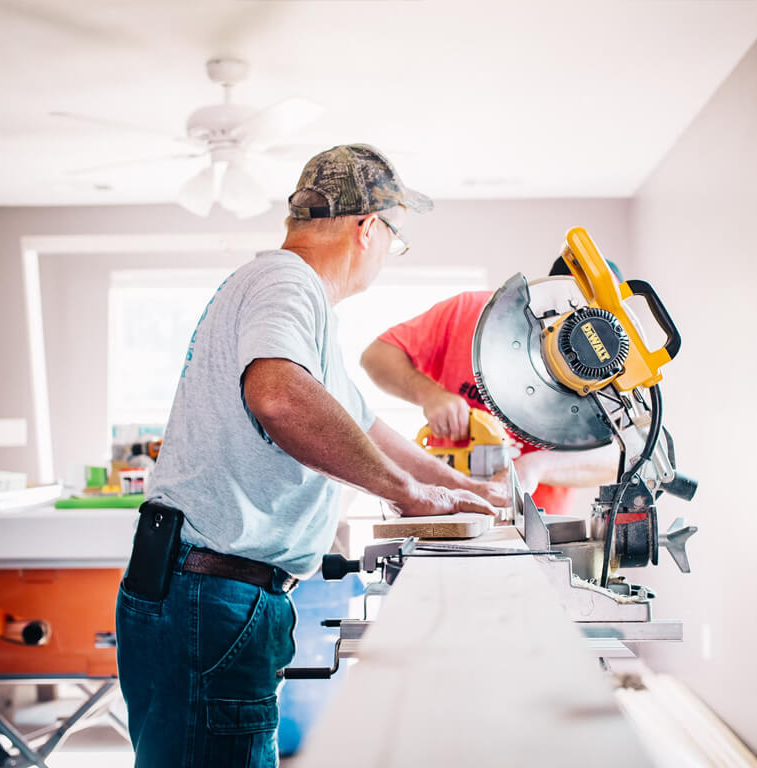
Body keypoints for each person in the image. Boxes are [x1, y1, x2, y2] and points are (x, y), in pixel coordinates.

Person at [115, 144, 509, 768]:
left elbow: (369, 427)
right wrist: (410, 495)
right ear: (368, 228)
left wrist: (465, 494)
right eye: (394, 240)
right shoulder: (285, 281)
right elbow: (278, 398)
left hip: (205, 589)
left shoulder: (294, 304)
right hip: (211, 594)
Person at [360, 257, 624, 516]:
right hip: (443, 508)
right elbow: (377, 356)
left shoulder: (605, 370)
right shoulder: (470, 312)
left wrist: (536, 466)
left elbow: (619, 458)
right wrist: (429, 394)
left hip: (535, 526)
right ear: (547, 289)